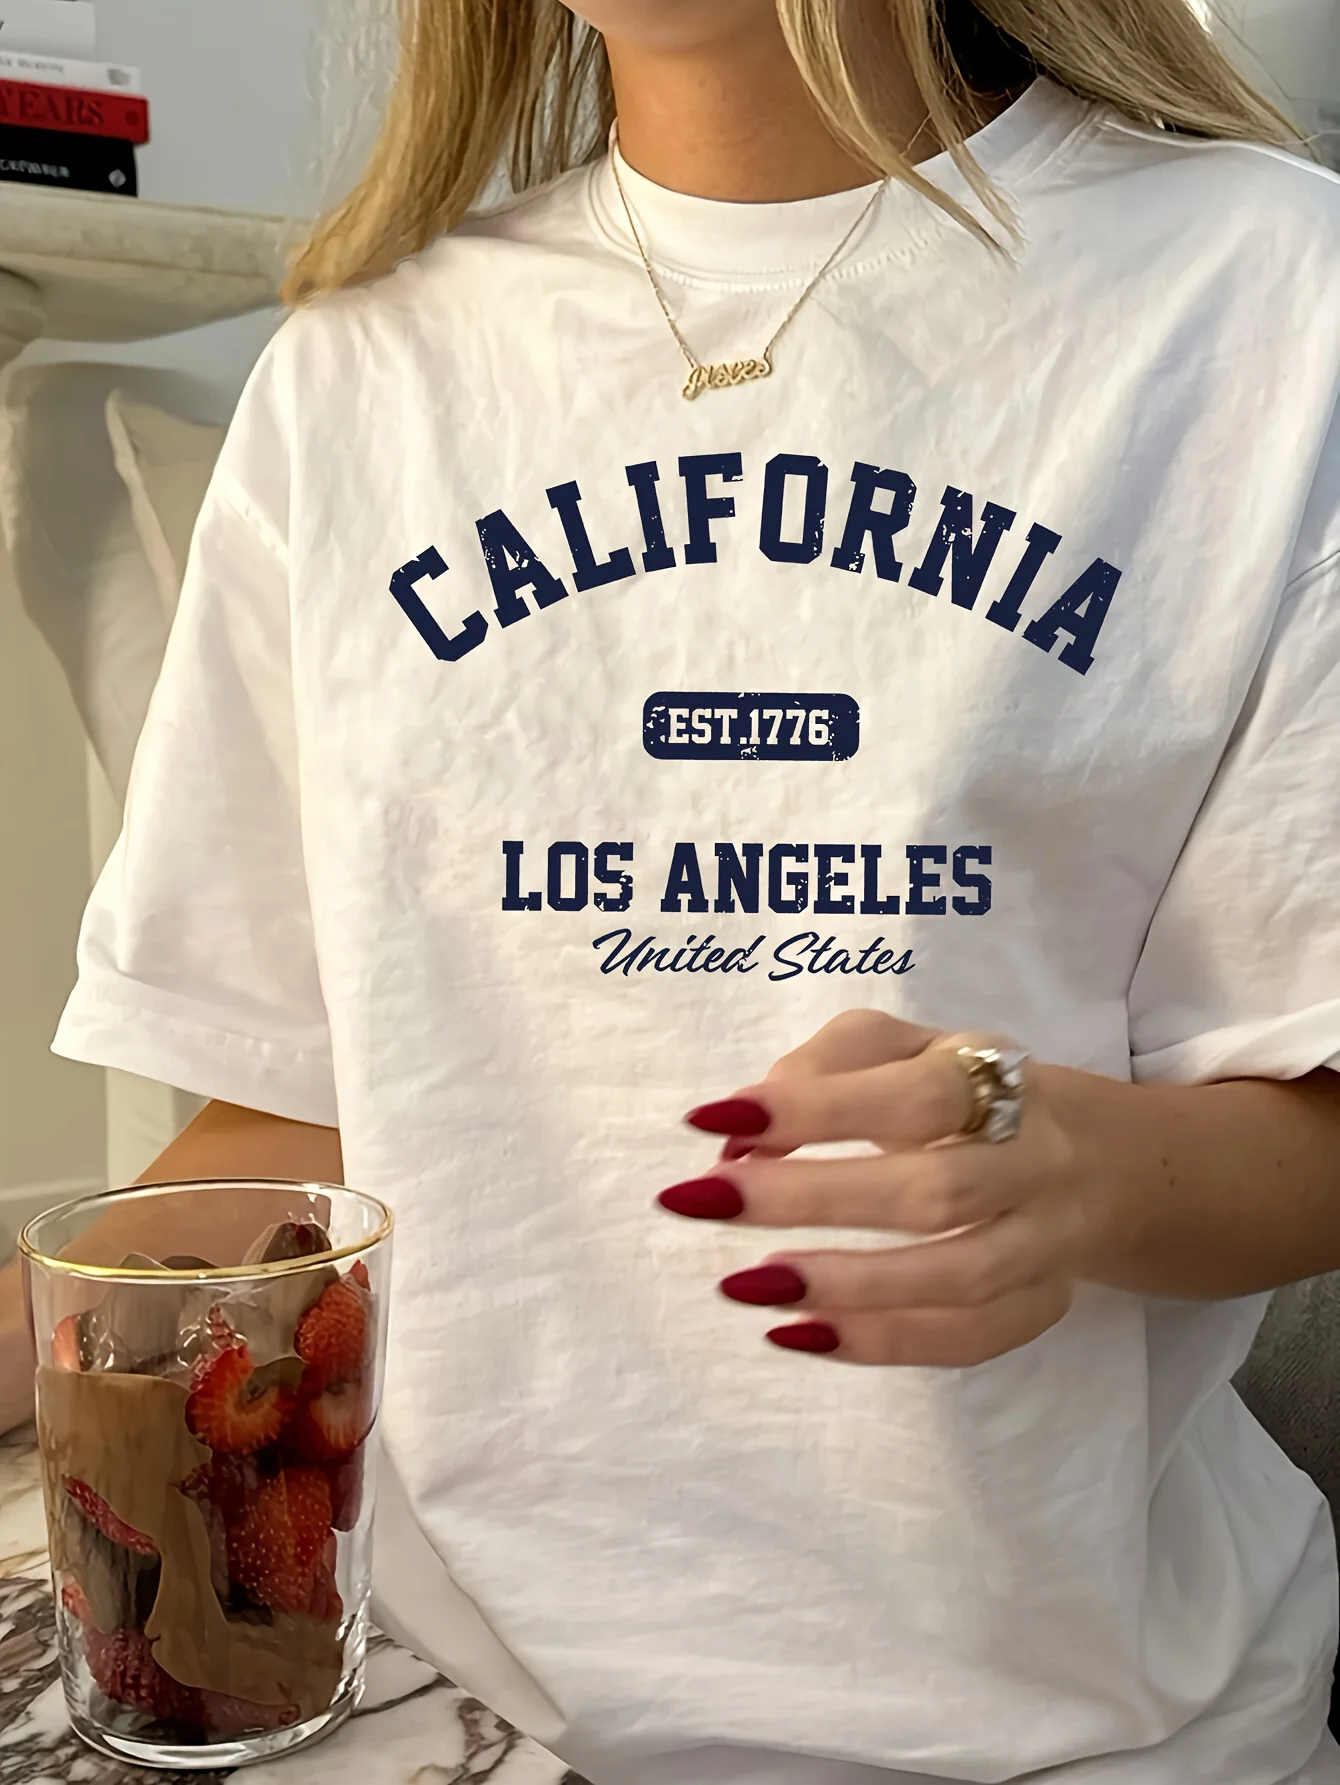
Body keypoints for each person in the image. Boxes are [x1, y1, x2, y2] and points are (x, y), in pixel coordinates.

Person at [5, 0, 1340, 1778]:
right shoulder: (356, 376)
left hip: (1071, 1725)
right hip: (433, 1704)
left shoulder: (1268, 295)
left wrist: (1082, 1173)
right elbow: (300, 1107)